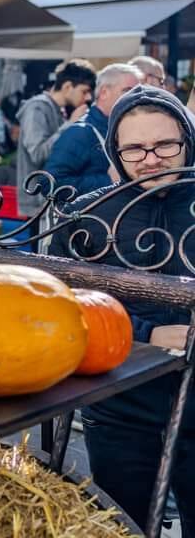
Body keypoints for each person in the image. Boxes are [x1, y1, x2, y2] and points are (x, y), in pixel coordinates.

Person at [48, 85, 194, 535]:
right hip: (120, 401)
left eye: (166, 144)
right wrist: (148, 333)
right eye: (135, 148)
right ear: (115, 151)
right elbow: (62, 300)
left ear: (187, 140)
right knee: (123, 523)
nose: (151, 158)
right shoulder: (89, 216)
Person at [44, 63, 143, 197]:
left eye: (138, 92)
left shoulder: (122, 127)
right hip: (88, 217)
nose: (136, 98)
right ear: (104, 93)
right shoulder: (81, 132)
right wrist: (107, 180)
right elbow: (48, 184)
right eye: (127, 91)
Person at [16, 59, 97, 217]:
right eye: (84, 91)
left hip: (53, 200)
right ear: (67, 87)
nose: (88, 97)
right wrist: (70, 124)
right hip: (38, 203)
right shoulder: (37, 108)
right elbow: (38, 153)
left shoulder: (58, 109)